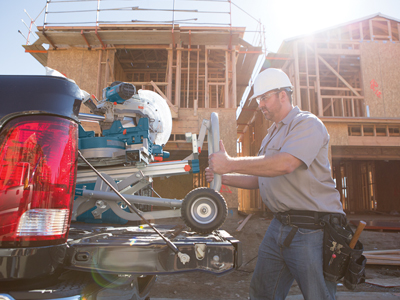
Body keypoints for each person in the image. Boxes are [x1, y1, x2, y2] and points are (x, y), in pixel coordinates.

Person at [206, 68, 345, 300]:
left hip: (311, 229)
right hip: (278, 226)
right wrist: (224, 176)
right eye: (258, 99)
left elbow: (285, 164)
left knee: (318, 295)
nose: (260, 105)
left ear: (283, 95)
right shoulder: (271, 134)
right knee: (262, 293)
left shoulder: (307, 124)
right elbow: (263, 178)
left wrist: (230, 163)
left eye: (264, 98)